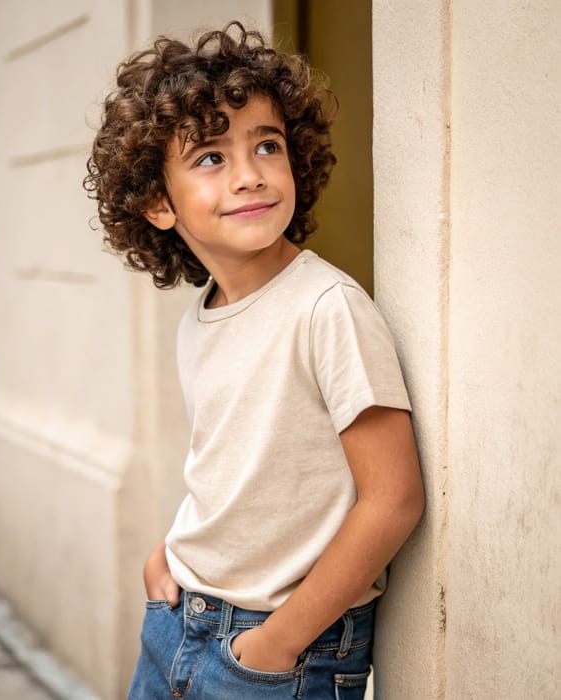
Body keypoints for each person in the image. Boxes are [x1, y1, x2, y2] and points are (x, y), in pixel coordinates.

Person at [84, 21, 424, 700]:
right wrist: (168, 555)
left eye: (267, 145)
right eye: (211, 157)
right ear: (157, 202)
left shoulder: (327, 307)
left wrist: (277, 642)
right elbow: (235, 469)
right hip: (179, 619)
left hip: (277, 652)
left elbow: (392, 500)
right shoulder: (200, 321)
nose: (249, 175)